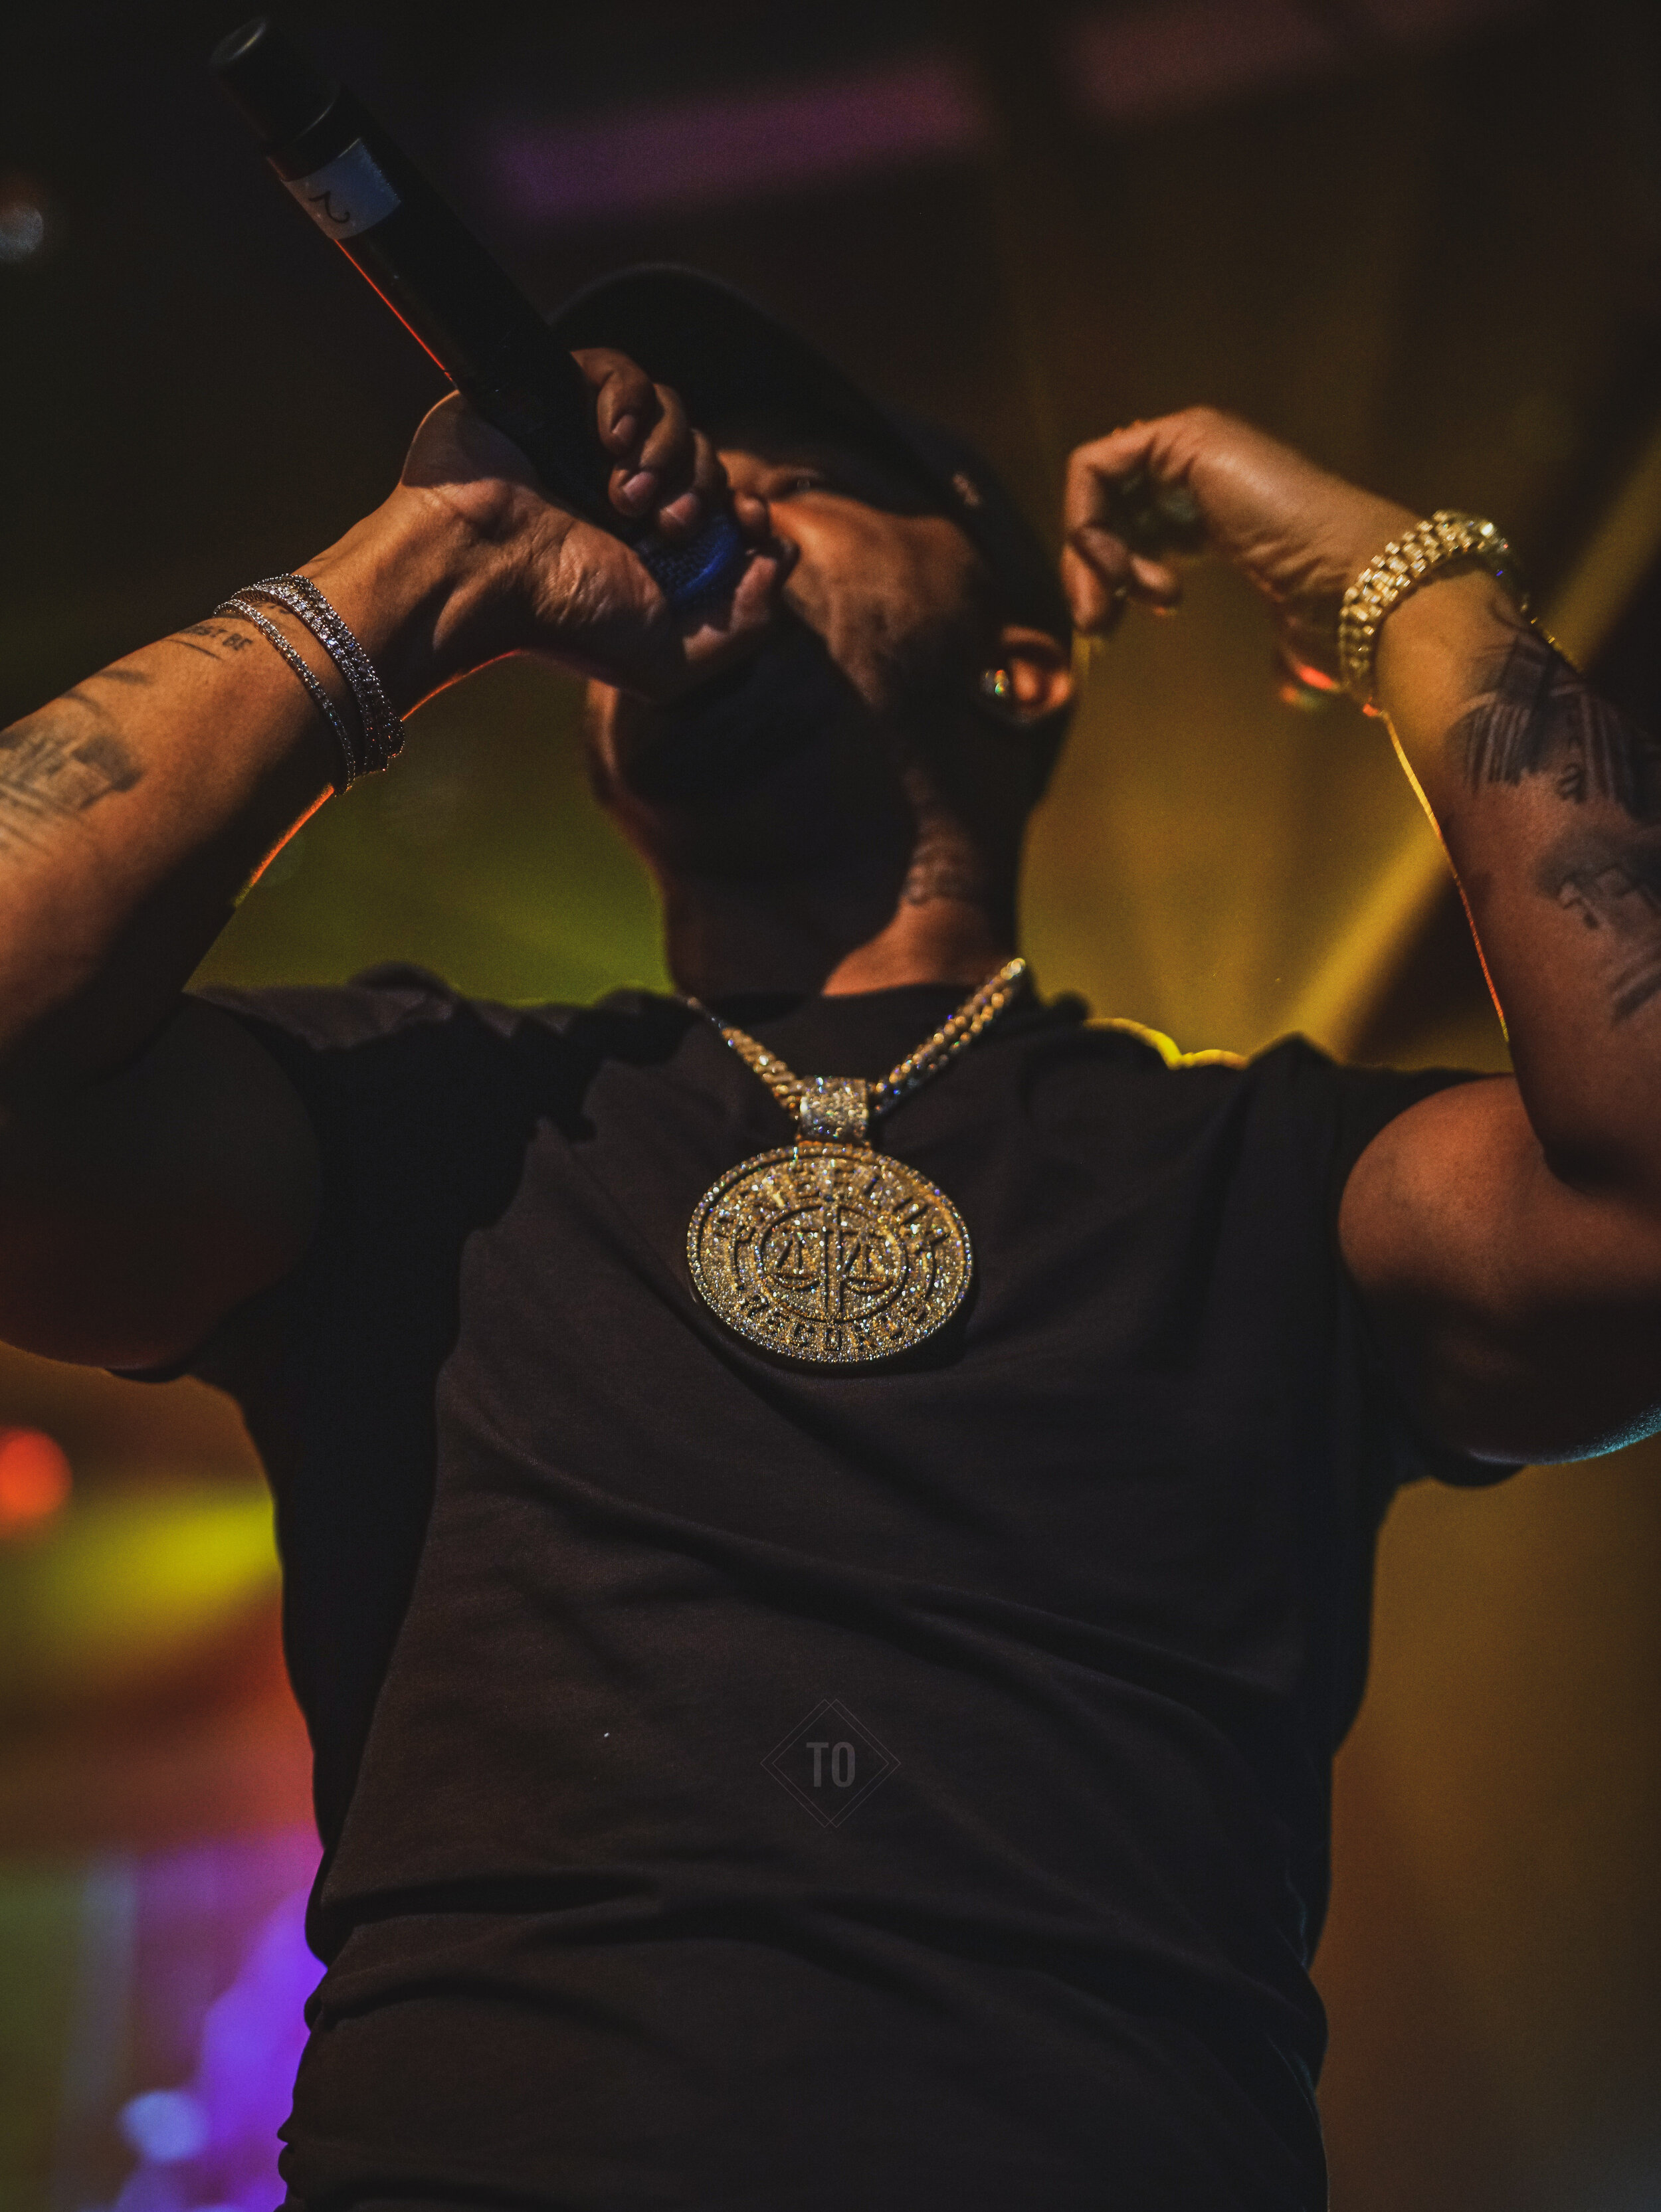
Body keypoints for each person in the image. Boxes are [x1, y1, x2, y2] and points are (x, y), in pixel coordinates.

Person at [2, 263, 1658, 2211]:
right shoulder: (419, 1119)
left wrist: (1416, 586)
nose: (700, 503)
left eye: (794, 481)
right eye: (662, 492)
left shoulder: (1265, 1174)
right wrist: (421, 558)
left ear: (1024, 655)